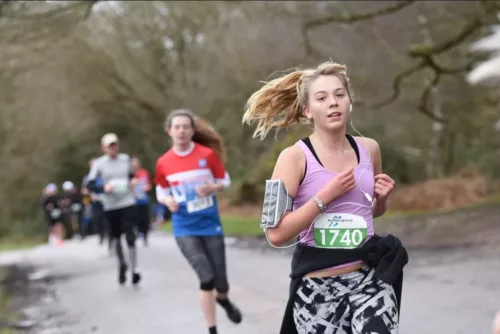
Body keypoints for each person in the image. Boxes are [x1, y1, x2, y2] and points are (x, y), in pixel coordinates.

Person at [242, 61, 408, 334]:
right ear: (307, 110)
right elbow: (276, 234)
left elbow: (370, 211)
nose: (333, 103)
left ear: (350, 102)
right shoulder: (292, 158)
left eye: (339, 95)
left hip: (369, 281)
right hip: (319, 290)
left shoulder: (370, 149)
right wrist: (323, 197)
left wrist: (382, 199)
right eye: (322, 98)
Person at [155, 109, 242, 334]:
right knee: (206, 277)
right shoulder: (164, 162)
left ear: (193, 130)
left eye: (186, 127)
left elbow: (225, 180)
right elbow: (161, 190)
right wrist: (168, 201)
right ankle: (212, 329)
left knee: (221, 283)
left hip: (210, 224)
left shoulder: (206, 155)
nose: (182, 131)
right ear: (169, 131)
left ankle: (223, 299)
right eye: (177, 127)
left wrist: (213, 187)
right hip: (184, 227)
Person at [86, 133, 142, 285]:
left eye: (115, 145)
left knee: (130, 235)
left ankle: (134, 269)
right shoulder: (99, 164)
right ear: (103, 148)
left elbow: (131, 176)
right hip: (110, 204)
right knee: (116, 236)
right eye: (109, 146)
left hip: (127, 201)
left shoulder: (125, 159)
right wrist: (103, 187)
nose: (113, 148)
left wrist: (133, 181)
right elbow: (89, 185)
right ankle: (122, 263)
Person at [82, 158, 110, 249]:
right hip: (95, 202)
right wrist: (90, 194)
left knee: (107, 219)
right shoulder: (88, 177)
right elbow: (84, 190)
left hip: (106, 201)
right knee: (98, 219)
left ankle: (109, 236)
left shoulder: (104, 175)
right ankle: (101, 236)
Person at [131, 157, 152, 246]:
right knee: (136, 220)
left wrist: (147, 188)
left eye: (136, 164)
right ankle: (138, 234)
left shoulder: (144, 173)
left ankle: (145, 237)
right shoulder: (130, 175)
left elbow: (149, 185)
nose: (135, 166)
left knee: (145, 219)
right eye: (133, 164)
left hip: (144, 200)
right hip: (133, 201)